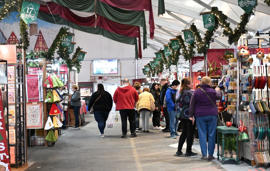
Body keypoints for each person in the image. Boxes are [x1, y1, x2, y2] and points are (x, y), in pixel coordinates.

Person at [189, 76, 221, 161]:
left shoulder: (196, 92)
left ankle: (204, 154)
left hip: (200, 115)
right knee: (212, 134)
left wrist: (190, 115)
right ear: (209, 82)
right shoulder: (213, 91)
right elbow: (219, 96)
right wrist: (218, 90)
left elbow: (192, 104)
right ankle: (210, 155)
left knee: (202, 134)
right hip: (212, 114)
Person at [175, 78, 197, 157]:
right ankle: (188, 151)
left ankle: (179, 150)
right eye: (191, 83)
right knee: (190, 134)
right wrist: (192, 115)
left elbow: (177, 102)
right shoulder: (190, 93)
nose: (192, 84)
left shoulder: (181, 92)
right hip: (189, 115)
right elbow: (192, 104)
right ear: (187, 84)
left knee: (184, 133)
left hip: (182, 115)